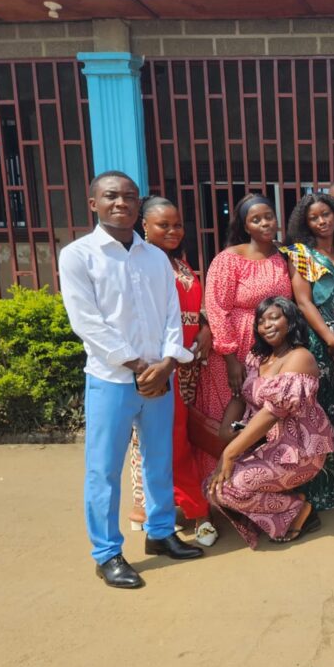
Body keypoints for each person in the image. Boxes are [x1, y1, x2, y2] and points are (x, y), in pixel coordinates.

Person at [59, 171, 202, 589]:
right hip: (112, 379)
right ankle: (107, 553)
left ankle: (160, 533)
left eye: (129, 196)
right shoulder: (78, 256)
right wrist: (139, 366)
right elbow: (86, 322)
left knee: (160, 459)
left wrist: (169, 362)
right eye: (111, 196)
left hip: (159, 377)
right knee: (103, 470)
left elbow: (171, 315)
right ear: (94, 203)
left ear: (139, 205)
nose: (120, 202)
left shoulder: (154, 257)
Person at [206, 298, 334, 548]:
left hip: (298, 452)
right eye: (261, 321)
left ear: (291, 321)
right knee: (212, 487)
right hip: (266, 445)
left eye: (274, 318)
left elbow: (272, 413)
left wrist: (229, 453)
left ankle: (298, 509)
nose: (267, 325)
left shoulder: (300, 358)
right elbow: (241, 396)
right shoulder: (257, 357)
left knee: (229, 489)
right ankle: (280, 505)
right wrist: (226, 432)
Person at [127, 196, 217, 547]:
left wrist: (204, 327)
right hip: (160, 365)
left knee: (180, 435)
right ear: (144, 225)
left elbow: (192, 308)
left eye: (177, 225)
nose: (173, 231)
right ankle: (152, 507)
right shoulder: (139, 264)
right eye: (163, 225)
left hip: (189, 363)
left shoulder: (179, 263)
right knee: (154, 438)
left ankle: (169, 504)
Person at [193, 193, 293, 479]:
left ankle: (255, 485)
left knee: (263, 417)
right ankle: (216, 487)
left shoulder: (283, 256)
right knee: (225, 415)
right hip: (235, 350)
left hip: (271, 351)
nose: (264, 223)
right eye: (256, 219)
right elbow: (217, 308)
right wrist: (230, 358)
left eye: (268, 217)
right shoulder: (229, 259)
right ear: (245, 225)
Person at [282, 192, 334, 510]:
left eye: (326, 214)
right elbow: (303, 301)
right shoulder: (301, 254)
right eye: (314, 218)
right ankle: (315, 489)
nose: (322, 221)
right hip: (318, 342)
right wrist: (330, 339)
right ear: (306, 223)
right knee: (318, 414)